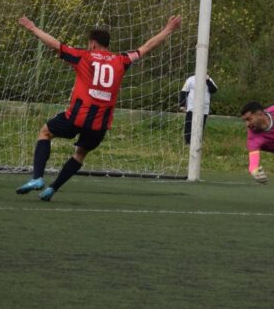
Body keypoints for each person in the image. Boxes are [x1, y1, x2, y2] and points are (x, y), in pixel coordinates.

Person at [15, 14, 183, 201]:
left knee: (45, 133)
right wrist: (169, 29)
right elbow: (146, 47)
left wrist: (32, 28)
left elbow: (55, 44)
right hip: (100, 124)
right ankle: (52, 189)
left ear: (93, 43)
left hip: (77, 116)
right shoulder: (122, 60)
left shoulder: (83, 56)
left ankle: (37, 177)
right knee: (80, 154)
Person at [179, 73, 218, 145]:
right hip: (192, 107)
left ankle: (197, 141)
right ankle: (188, 142)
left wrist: (208, 80)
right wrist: (182, 105)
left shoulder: (209, 80)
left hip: (204, 108)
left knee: (200, 125)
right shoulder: (191, 79)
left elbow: (214, 90)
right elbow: (184, 92)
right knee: (189, 124)